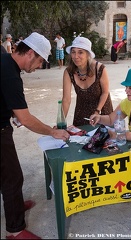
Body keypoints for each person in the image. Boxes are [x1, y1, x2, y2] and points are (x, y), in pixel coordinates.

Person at [1, 32, 70, 239]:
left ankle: (13, 204)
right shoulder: (11, 75)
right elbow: (26, 118)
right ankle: (15, 231)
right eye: (40, 61)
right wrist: (52, 131)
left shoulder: (5, 61)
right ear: (30, 53)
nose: (39, 66)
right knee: (13, 178)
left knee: (6, 175)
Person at [89, 67, 131, 203]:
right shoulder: (128, 102)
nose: (126, 90)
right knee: (120, 164)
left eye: (130, 88)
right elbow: (111, 119)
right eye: (126, 87)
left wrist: (117, 134)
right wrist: (98, 117)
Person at [62, 36, 113, 127]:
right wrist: (61, 122)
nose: (76, 56)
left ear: (88, 54)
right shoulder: (68, 72)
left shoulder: (99, 69)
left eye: (80, 52)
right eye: (73, 52)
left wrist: (97, 112)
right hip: (81, 113)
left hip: (102, 111)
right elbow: (66, 99)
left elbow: (105, 92)